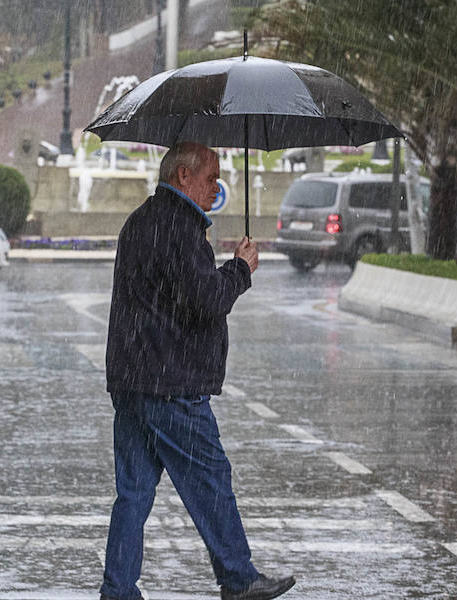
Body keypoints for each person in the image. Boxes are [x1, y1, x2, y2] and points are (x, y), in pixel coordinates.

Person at [100, 141, 296, 600]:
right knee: (210, 479)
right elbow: (207, 300)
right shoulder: (179, 227)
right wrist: (241, 269)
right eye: (211, 177)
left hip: (132, 380)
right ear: (183, 177)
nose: (218, 186)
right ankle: (238, 577)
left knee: (133, 492)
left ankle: (118, 589)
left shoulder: (142, 219)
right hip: (171, 383)